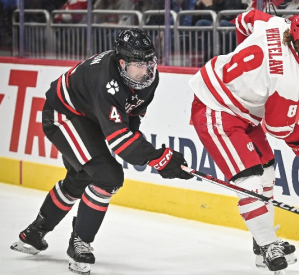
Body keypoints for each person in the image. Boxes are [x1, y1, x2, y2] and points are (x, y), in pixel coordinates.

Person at [10, 28, 193, 275]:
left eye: (149, 61)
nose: (146, 70)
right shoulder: (106, 81)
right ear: (121, 63)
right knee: (108, 176)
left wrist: (157, 158)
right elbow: (120, 142)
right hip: (64, 116)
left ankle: (33, 234)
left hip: (88, 115)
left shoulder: (148, 78)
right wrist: (158, 158)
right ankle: (80, 242)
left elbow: (130, 121)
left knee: (84, 175)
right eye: (138, 64)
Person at [188, 10, 299, 273]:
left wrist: (243, 52)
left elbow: (244, 18)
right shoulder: (290, 79)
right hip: (216, 109)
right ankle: (268, 246)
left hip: (243, 110)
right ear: (297, 41)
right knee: (250, 180)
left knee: (266, 169)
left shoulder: (275, 24)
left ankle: (261, 243)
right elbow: (278, 127)